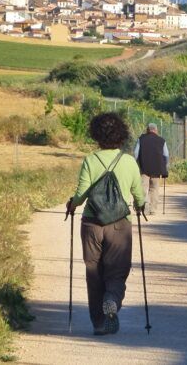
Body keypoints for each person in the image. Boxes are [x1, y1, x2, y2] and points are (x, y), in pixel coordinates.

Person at [66, 112, 146, 336]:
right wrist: (140, 206)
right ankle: (111, 299)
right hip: (120, 225)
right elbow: (138, 194)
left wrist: (72, 205)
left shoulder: (90, 160)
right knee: (117, 272)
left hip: (92, 224)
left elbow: (81, 194)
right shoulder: (128, 161)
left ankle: (99, 324)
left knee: (93, 272)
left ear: (96, 135)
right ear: (122, 133)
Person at [133, 123, 169, 216]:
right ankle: (152, 209)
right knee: (154, 189)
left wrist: (136, 164)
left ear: (147, 130)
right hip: (157, 169)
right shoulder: (162, 140)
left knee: (143, 188)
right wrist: (165, 165)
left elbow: (135, 153)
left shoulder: (141, 139)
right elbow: (166, 155)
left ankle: (144, 208)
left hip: (143, 168)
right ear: (156, 130)